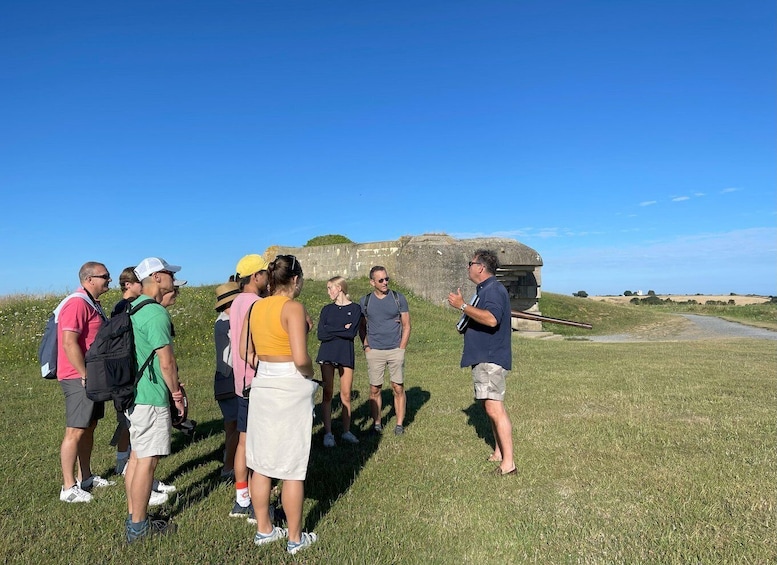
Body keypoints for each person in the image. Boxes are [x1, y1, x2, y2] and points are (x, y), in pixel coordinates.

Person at [240, 255, 319, 555]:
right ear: (296, 280)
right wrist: (310, 376)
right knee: (292, 466)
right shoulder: (294, 308)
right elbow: (301, 358)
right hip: (290, 383)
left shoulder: (256, 307)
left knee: (260, 463)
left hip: (263, 382)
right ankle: (295, 538)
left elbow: (247, 352)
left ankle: (264, 529)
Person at [123, 257, 186, 542]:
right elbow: (167, 362)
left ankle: (134, 516)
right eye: (170, 274)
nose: (173, 278)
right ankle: (138, 526)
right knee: (147, 462)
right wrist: (177, 394)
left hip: (132, 394)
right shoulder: (156, 313)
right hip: (151, 395)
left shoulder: (133, 307)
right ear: (158, 277)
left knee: (137, 459)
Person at [447, 249, 516, 476]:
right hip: (484, 357)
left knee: (494, 407)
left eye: (471, 263)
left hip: (490, 357)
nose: (468, 267)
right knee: (490, 406)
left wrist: (462, 306)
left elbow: (492, 319)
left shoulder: (493, 290)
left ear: (480, 267)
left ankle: (509, 464)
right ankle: (499, 452)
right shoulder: (486, 289)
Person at [57, 261, 114, 503]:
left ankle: (86, 477)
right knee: (75, 430)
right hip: (77, 376)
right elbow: (69, 342)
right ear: (89, 279)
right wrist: (83, 373)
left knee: (89, 427)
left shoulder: (92, 303)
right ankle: (68, 487)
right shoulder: (77, 303)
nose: (109, 281)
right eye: (105, 277)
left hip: (91, 376)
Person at [228, 254, 270, 522]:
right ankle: (258, 501)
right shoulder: (256, 303)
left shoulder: (236, 303)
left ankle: (241, 497)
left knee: (243, 441)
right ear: (256, 276)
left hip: (240, 382)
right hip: (257, 380)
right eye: (265, 273)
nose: (268, 278)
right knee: (260, 444)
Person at [358, 266, 411, 435]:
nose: (385, 282)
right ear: (372, 282)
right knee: (375, 389)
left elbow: (407, 325)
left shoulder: (398, 298)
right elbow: (361, 327)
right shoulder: (365, 301)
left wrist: (401, 348)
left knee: (398, 387)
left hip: (395, 349)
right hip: (375, 351)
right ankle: (377, 423)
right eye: (380, 280)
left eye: (386, 279)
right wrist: (366, 346)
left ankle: (399, 425)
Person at [315, 276, 362, 447]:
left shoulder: (356, 309)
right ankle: (328, 433)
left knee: (346, 394)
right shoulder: (326, 310)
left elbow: (352, 334)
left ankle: (346, 431)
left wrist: (334, 330)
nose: (328, 292)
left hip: (345, 353)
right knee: (328, 393)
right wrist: (342, 328)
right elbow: (321, 334)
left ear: (339, 288)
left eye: (330, 288)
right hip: (327, 352)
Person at [214, 281, 241, 480]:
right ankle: (229, 466)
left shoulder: (223, 320)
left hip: (226, 376)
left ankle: (229, 460)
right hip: (230, 376)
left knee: (232, 424)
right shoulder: (228, 323)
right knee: (239, 426)